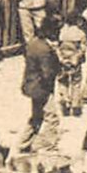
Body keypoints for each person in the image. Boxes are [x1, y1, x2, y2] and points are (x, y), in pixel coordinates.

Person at [18, 14, 61, 154]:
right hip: (41, 88)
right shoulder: (45, 49)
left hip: (31, 85)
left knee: (36, 116)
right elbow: (47, 73)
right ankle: (48, 146)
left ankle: (23, 144)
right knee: (52, 117)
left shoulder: (34, 42)